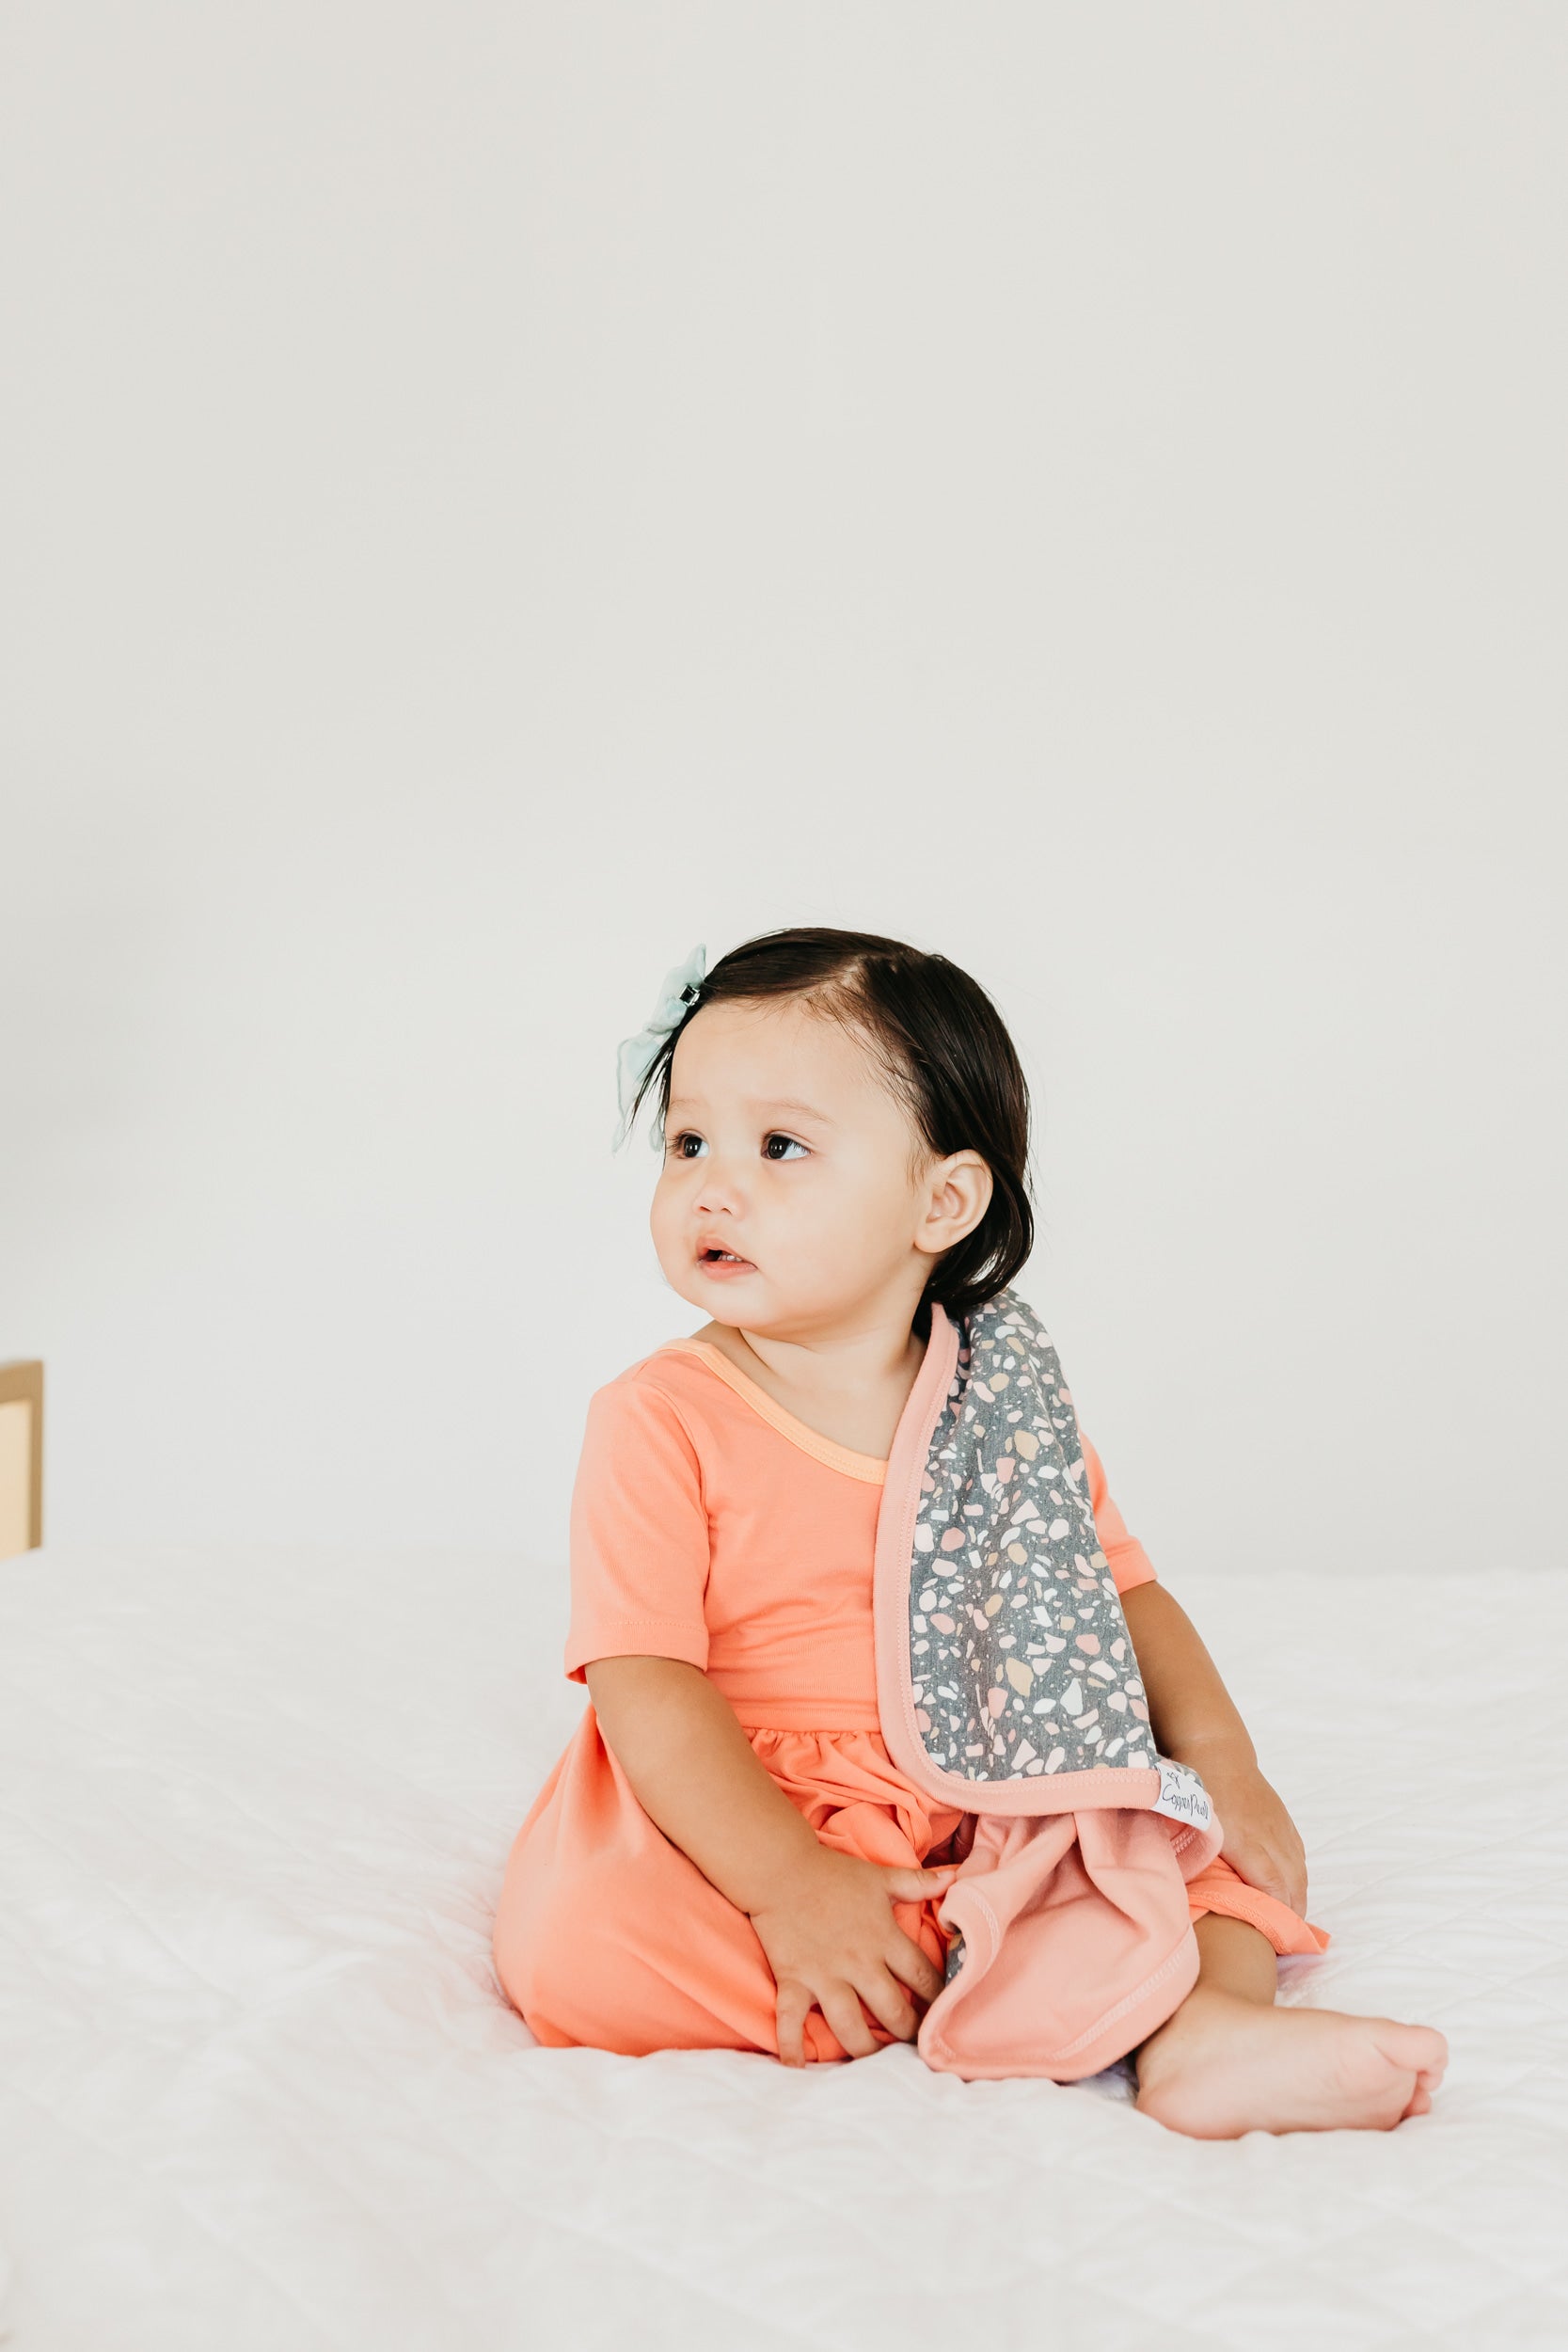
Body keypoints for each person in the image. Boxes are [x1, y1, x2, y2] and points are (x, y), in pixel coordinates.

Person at [492, 927, 1448, 2137]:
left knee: (1188, 1857)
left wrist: (1225, 1761)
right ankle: (961, 1974)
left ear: (939, 1200)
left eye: (778, 1146)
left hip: (995, 1773)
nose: (712, 1188)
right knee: (578, 1943)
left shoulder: (997, 1402)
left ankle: (1201, 2029)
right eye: (687, 1143)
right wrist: (787, 1883)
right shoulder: (658, 1415)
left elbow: (1119, 1592)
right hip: (750, 1793)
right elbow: (644, 1678)